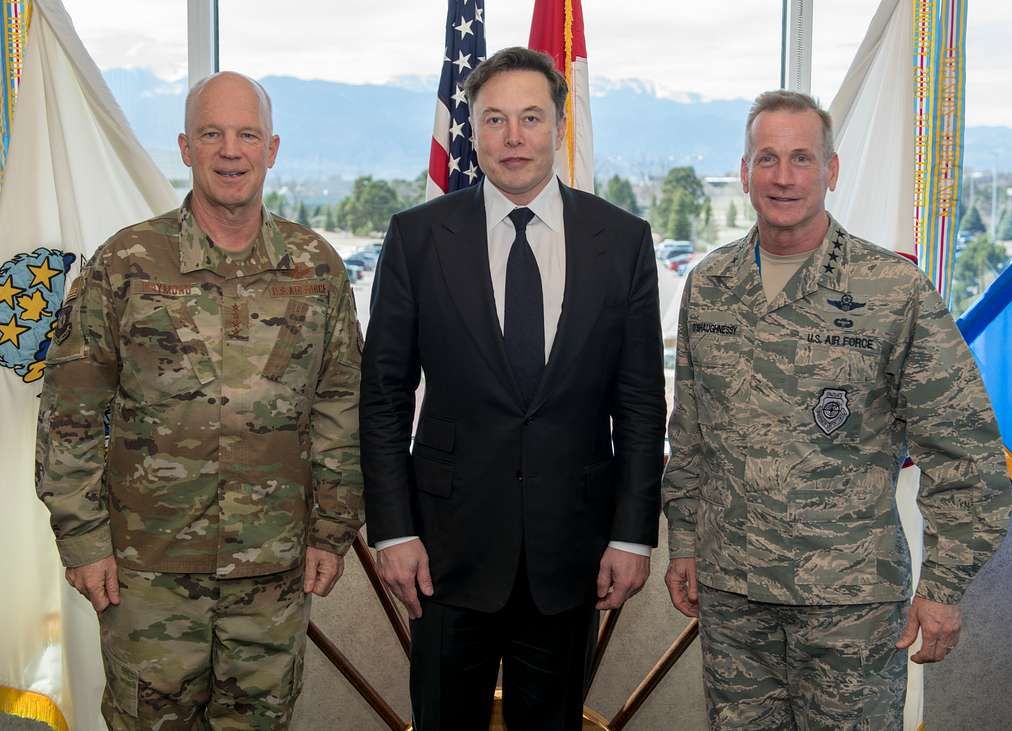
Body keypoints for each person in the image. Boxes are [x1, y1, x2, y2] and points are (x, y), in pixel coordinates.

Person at [662, 88, 1012, 729]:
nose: (784, 176)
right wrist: (683, 541)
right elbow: (690, 433)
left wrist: (942, 587)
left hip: (850, 607)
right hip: (733, 599)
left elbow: (963, 449)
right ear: (744, 172)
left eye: (802, 158)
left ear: (832, 170)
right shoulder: (710, 285)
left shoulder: (892, 290)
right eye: (767, 159)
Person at [35, 71, 364, 729]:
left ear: (272, 149)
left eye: (248, 135)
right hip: (146, 577)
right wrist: (84, 540)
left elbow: (340, 408)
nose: (231, 151)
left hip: (271, 575)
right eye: (212, 134)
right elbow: (69, 413)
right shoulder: (126, 262)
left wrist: (332, 530)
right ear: (186, 147)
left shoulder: (317, 268)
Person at [360, 47, 666, 730]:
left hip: (572, 555)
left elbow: (641, 403)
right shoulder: (417, 237)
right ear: (471, 130)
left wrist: (633, 536)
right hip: (443, 554)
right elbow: (383, 395)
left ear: (559, 126)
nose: (513, 137)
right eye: (494, 119)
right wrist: (393, 529)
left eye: (531, 117)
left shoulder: (621, 240)